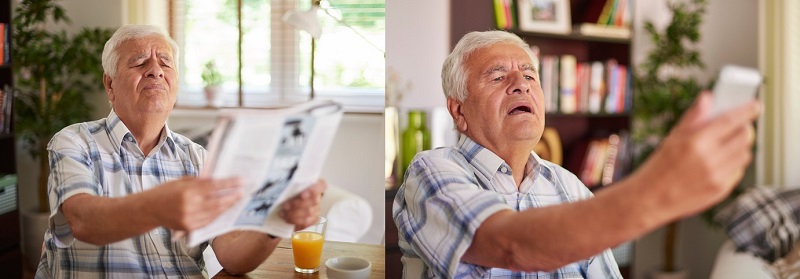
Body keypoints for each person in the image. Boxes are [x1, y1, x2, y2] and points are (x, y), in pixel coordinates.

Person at [392, 30, 761, 278]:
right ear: (459, 112)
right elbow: (508, 245)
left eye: (529, 75)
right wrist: (658, 189)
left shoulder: (569, 187)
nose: (521, 84)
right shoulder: (432, 171)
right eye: (497, 76)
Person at [35, 24, 326, 278]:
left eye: (165, 62)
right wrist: (159, 205)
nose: (155, 70)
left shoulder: (197, 157)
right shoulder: (74, 141)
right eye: (139, 63)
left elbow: (233, 257)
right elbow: (82, 220)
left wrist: (275, 222)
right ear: (110, 84)